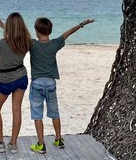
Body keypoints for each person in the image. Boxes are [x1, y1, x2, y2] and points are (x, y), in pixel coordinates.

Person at [28, 17, 94, 154]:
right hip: (51, 83)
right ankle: (58, 139)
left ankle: (41, 144)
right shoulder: (55, 44)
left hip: (37, 83)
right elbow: (68, 33)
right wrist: (81, 24)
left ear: (36, 31)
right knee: (54, 113)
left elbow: (17, 34)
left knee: (37, 115)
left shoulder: (32, 44)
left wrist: (4, 26)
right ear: (50, 31)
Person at [0, 12, 32, 153]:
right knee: (16, 110)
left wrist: (1, 60)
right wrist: (3, 27)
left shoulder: (1, 43)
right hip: (22, 78)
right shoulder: (26, 42)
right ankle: (13, 144)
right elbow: (16, 35)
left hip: (6, 80)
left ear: (9, 27)